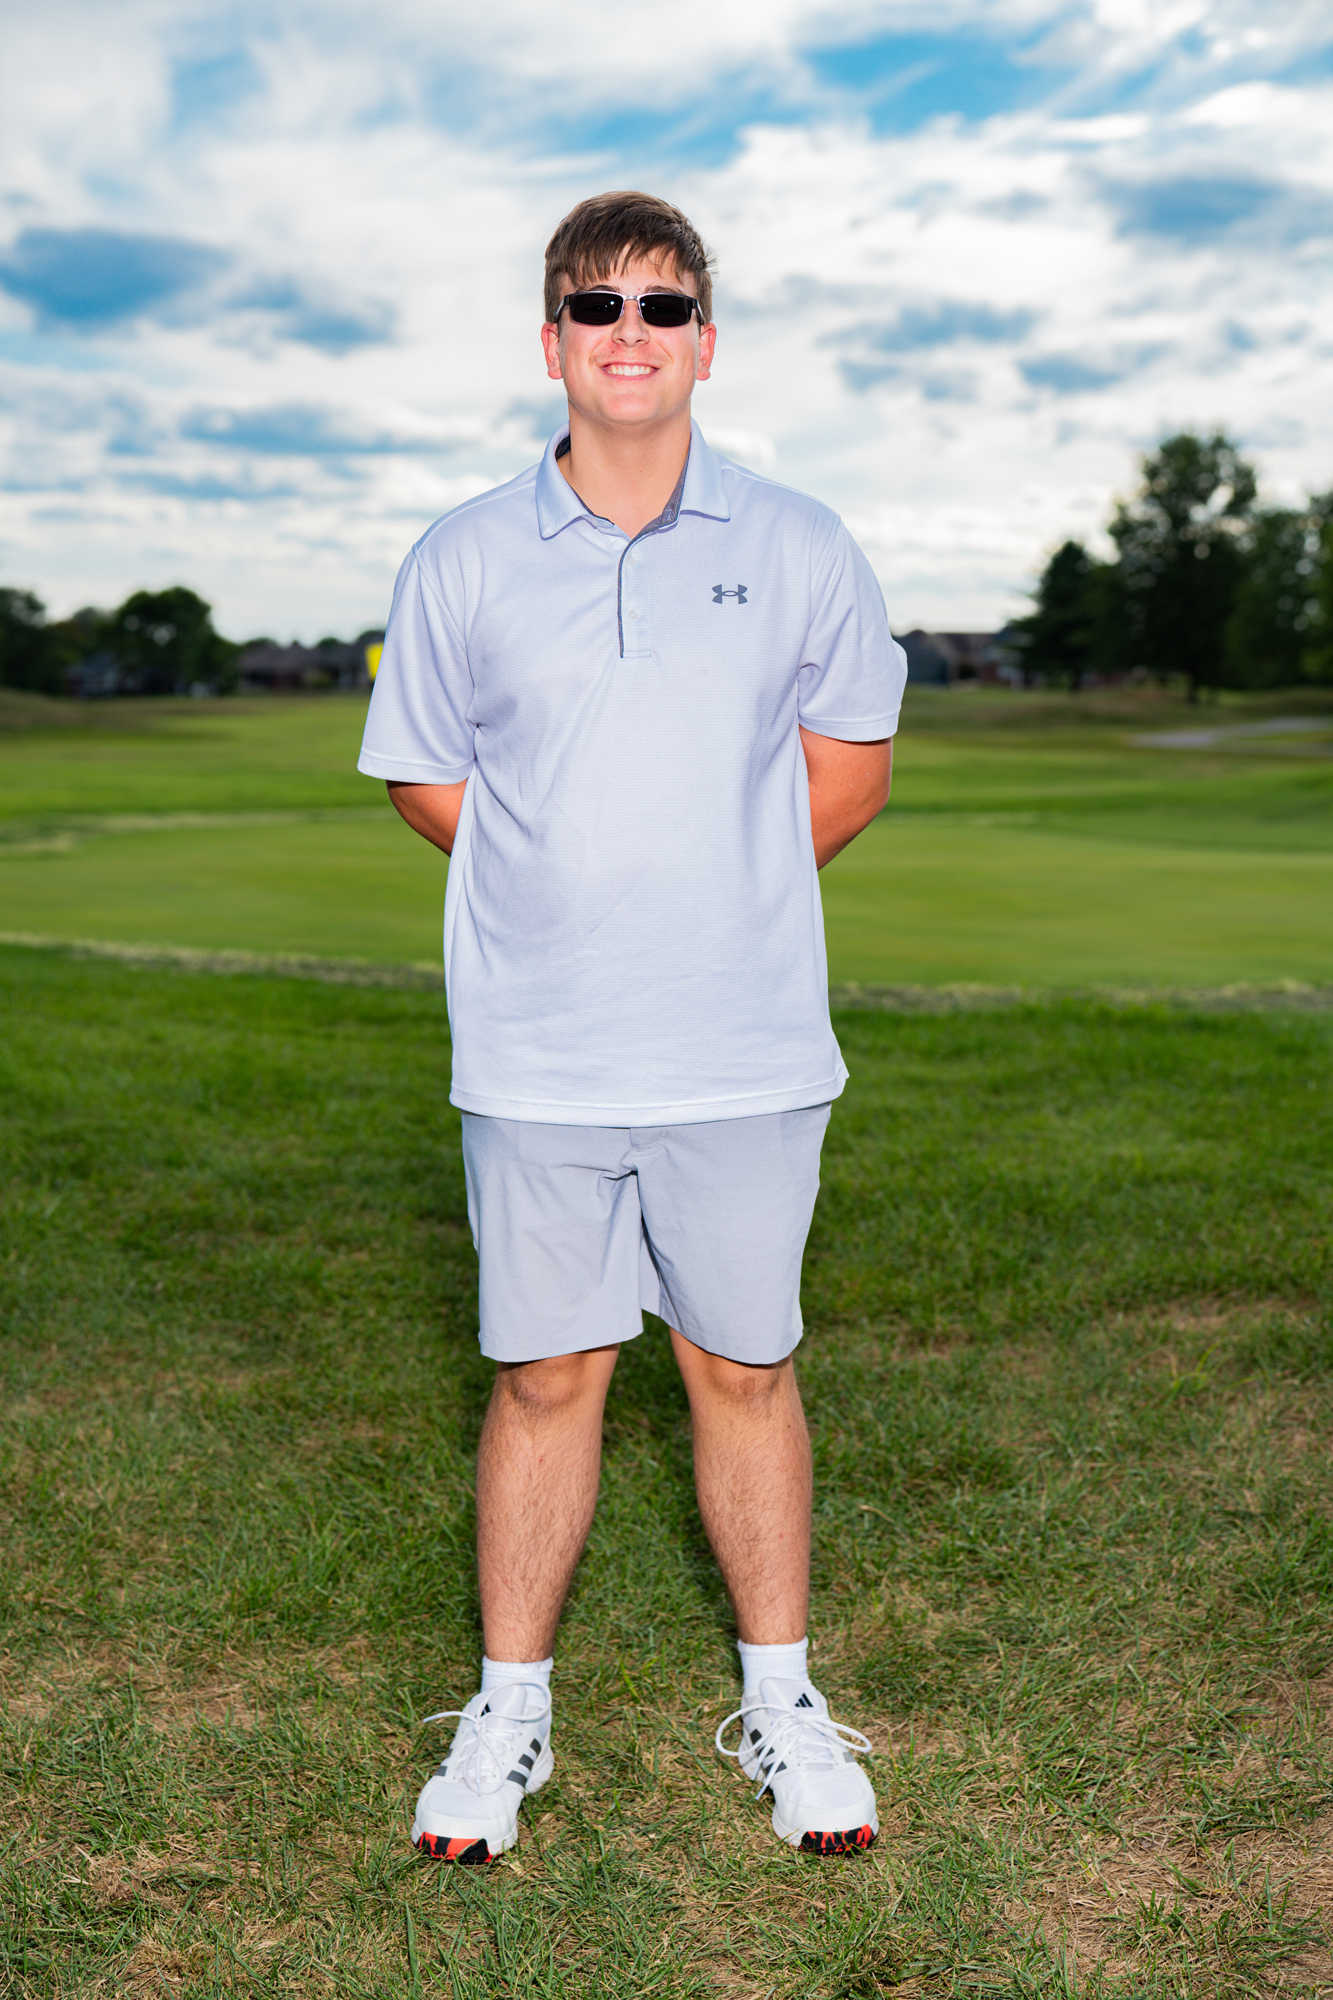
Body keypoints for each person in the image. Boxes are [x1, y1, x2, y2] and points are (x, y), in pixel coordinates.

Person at [357, 190, 906, 1864]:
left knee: (743, 1367)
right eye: (596, 305)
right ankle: (506, 1712)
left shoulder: (799, 542)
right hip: (538, 1053)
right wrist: (566, 893)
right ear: (552, 342)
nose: (629, 333)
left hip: (744, 1050)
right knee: (545, 1376)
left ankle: (783, 1700)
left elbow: (847, 774)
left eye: (662, 306)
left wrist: (704, 898)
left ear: (703, 344)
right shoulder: (461, 556)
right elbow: (427, 779)